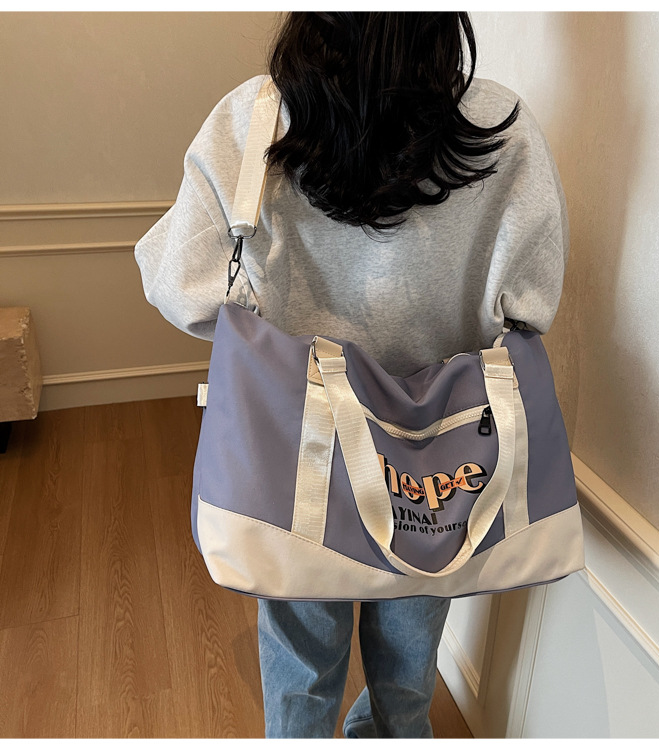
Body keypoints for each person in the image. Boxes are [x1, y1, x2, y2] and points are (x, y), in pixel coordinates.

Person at [134, 11, 569, 739]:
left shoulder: (256, 117)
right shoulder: (500, 126)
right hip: (438, 460)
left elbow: (180, 285)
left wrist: (273, 317)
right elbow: (532, 303)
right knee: (409, 664)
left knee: (301, 658)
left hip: (294, 450)